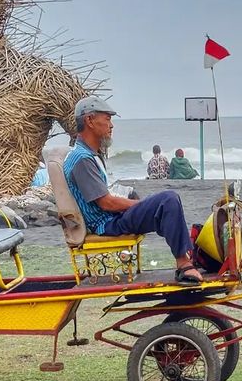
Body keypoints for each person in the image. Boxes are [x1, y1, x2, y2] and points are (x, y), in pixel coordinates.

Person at [64, 98, 203, 282]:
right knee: (168, 199)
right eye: (107, 119)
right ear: (90, 120)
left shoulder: (86, 154)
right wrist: (141, 205)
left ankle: (190, 253)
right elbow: (106, 203)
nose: (111, 125)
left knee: (159, 203)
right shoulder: (82, 159)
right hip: (106, 224)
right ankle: (184, 264)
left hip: (109, 219)